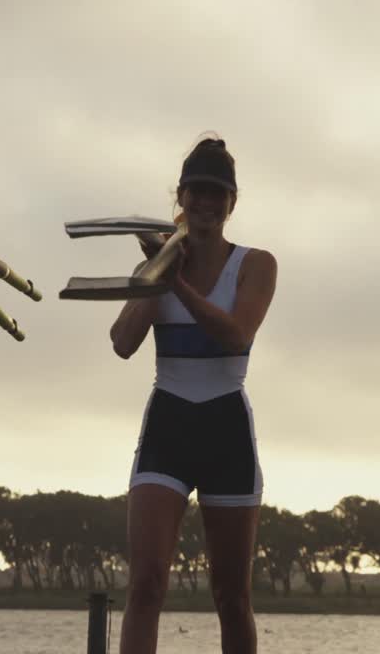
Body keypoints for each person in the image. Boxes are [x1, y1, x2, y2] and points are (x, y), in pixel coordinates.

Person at [110, 136, 278, 654]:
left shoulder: (256, 264)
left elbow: (236, 334)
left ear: (232, 203)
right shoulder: (156, 266)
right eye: (196, 192)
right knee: (146, 585)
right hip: (168, 425)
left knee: (232, 596)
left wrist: (177, 284)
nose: (205, 202)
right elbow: (122, 342)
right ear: (180, 198)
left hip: (227, 430)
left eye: (216, 193)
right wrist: (159, 275)